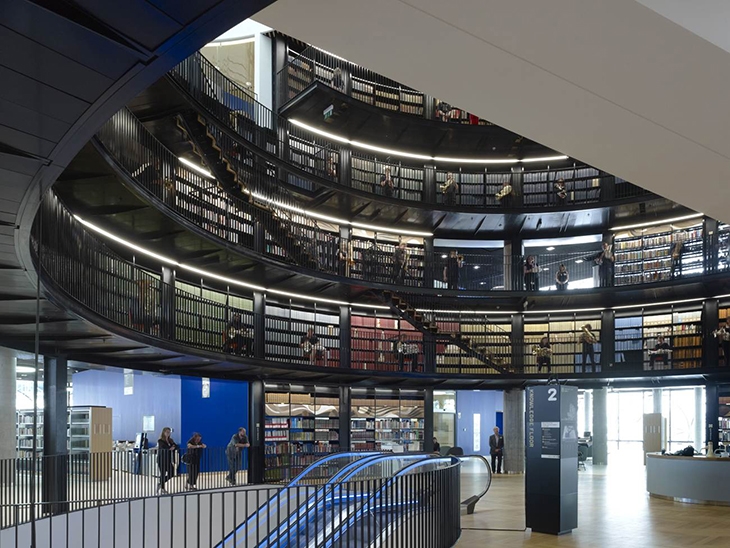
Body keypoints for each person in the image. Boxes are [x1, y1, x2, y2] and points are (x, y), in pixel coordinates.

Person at [157, 427, 178, 494]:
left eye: (169, 432)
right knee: (163, 473)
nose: (168, 433)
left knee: (171, 473)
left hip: (168, 459)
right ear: (163, 432)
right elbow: (163, 447)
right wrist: (170, 448)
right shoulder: (160, 440)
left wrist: (173, 447)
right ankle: (162, 488)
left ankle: (160, 483)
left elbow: (176, 446)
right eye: (167, 432)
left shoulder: (170, 440)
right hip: (162, 459)